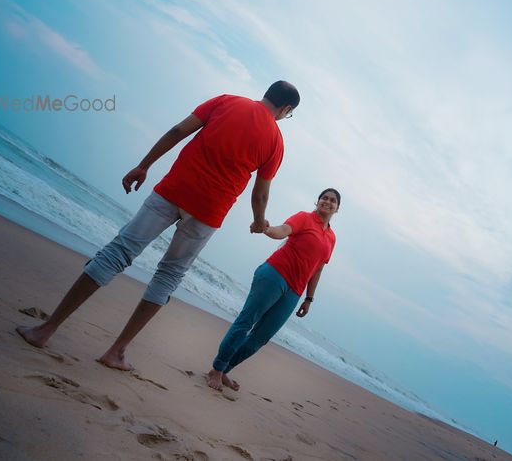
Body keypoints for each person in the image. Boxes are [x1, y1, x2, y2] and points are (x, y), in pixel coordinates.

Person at [16, 81, 300, 372]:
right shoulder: (276, 143)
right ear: (286, 109)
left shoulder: (227, 101)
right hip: (208, 213)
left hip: (173, 190)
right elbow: (260, 193)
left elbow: (178, 131)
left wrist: (144, 165)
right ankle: (116, 352)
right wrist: (257, 219)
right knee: (168, 275)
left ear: (268, 94)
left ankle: (46, 330)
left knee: (118, 252)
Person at [206, 188, 339, 392]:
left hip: (294, 292)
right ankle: (217, 368)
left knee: (261, 337)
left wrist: (309, 298)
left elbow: (318, 268)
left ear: (337, 208)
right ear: (318, 201)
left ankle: (226, 369)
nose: (327, 202)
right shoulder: (304, 218)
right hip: (274, 275)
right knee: (246, 322)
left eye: (332, 201)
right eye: (324, 198)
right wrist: (266, 228)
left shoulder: (331, 238)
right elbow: (283, 230)